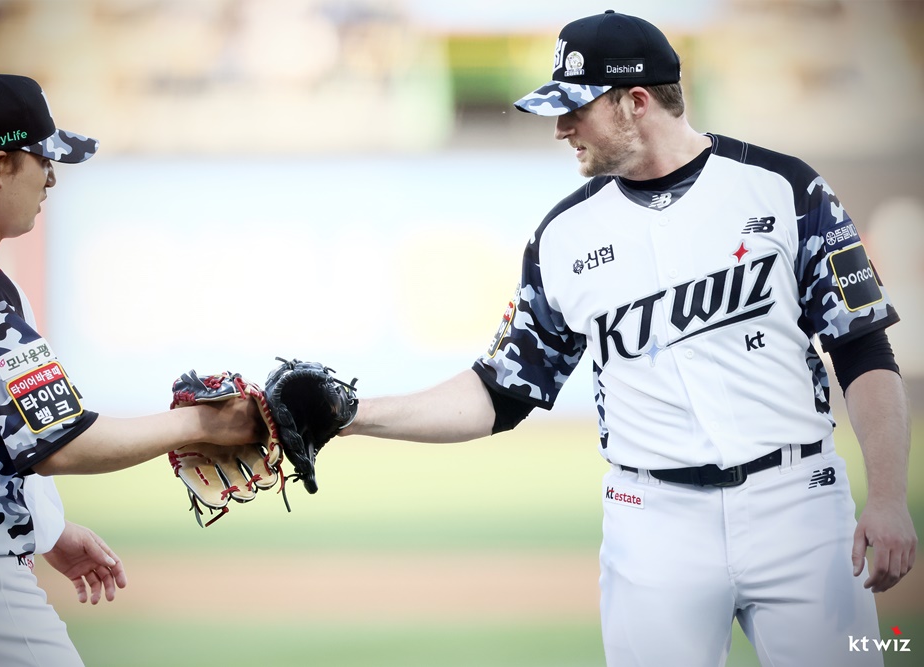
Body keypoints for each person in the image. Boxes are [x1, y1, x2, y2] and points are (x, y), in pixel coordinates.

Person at [339, 11, 916, 667]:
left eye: (575, 108)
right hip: (653, 523)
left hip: (801, 510)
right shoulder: (561, 237)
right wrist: (354, 415)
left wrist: (890, 497)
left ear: (636, 102)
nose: (560, 128)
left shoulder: (787, 189)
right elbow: (500, 391)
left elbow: (864, 349)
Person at [0, 72, 266, 666]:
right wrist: (204, 426)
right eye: (43, 159)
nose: (52, 177)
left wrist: (48, 530)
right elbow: (63, 441)